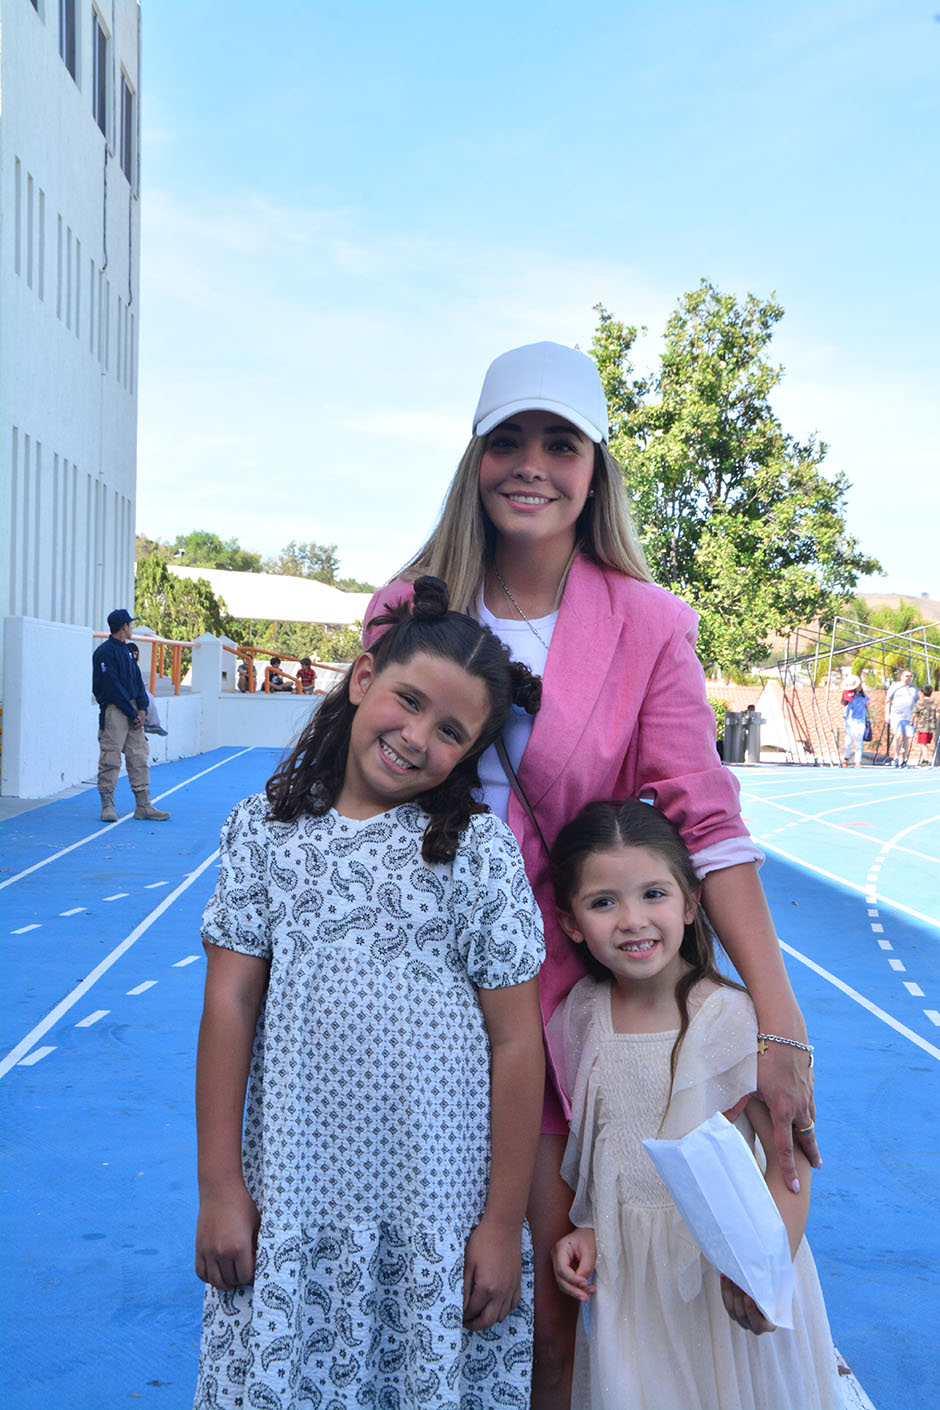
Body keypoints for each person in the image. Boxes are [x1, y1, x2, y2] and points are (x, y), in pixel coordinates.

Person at [364, 341, 818, 1406]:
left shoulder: (649, 624)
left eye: (560, 443)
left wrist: (779, 1020)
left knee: (554, 1307)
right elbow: (357, 795)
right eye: (508, 440)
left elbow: (706, 821)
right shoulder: (406, 607)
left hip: (557, 1003)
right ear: (475, 457)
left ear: (595, 467)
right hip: (405, 986)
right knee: (406, 1281)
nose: (532, 465)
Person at [193, 577, 546, 1410]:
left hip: (435, 1213)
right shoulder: (264, 834)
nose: (417, 737)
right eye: (408, 701)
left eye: (451, 731)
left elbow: (516, 1041)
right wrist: (219, 1187)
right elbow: (229, 1006)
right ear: (362, 679)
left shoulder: (477, 854)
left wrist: (502, 1224)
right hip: (292, 1198)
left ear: (471, 750)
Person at [548, 800, 841, 1410]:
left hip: (723, 1282)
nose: (632, 920)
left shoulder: (732, 1018)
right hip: (635, 1290)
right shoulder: (579, 1016)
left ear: (690, 902)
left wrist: (763, 1271)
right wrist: (590, 1229)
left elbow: (789, 1166)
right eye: (604, 903)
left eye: (653, 894)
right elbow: (607, 1150)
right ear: (572, 923)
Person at [91, 609, 170, 822]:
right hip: (115, 710)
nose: (131, 627)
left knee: (138, 756)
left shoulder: (127, 650)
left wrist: (142, 708)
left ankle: (143, 804)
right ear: (124, 626)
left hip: (132, 709)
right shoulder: (105, 653)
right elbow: (111, 686)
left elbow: (137, 682)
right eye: (130, 624)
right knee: (110, 757)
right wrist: (132, 710)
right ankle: (107, 804)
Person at [126, 641, 169, 735]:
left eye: (136, 654)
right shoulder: (125, 665)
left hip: (134, 691)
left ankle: (153, 724)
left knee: (148, 698)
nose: (135, 657)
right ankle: (151, 724)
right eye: (133, 654)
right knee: (148, 698)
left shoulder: (134, 667)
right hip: (127, 693)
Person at [884, 668, 919, 767]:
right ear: (902, 677)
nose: (908, 678)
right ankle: (896, 757)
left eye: (910, 676)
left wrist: (915, 714)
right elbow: (888, 701)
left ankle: (904, 761)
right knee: (897, 735)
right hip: (896, 715)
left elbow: (917, 702)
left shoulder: (914, 688)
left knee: (907, 738)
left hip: (908, 717)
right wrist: (887, 714)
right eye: (906, 676)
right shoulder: (895, 686)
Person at [840, 675, 868, 767]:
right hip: (850, 720)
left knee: (859, 740)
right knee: (848, 740)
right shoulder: (849, 695)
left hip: (861, 720)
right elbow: (845, 705)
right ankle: (846, 757)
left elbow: (867, 702)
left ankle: (857, 761)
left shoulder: (863, 696)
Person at [910, 684, 938, 767]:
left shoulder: (920, 702)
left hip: (922, 726)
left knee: (923, 743)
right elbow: (937, 714)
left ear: (922, 693)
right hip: (931, 726)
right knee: (927, 743)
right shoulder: (934, 703)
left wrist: (912, 721)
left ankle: (926, 759)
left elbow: (914, 713)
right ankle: (924, 758)